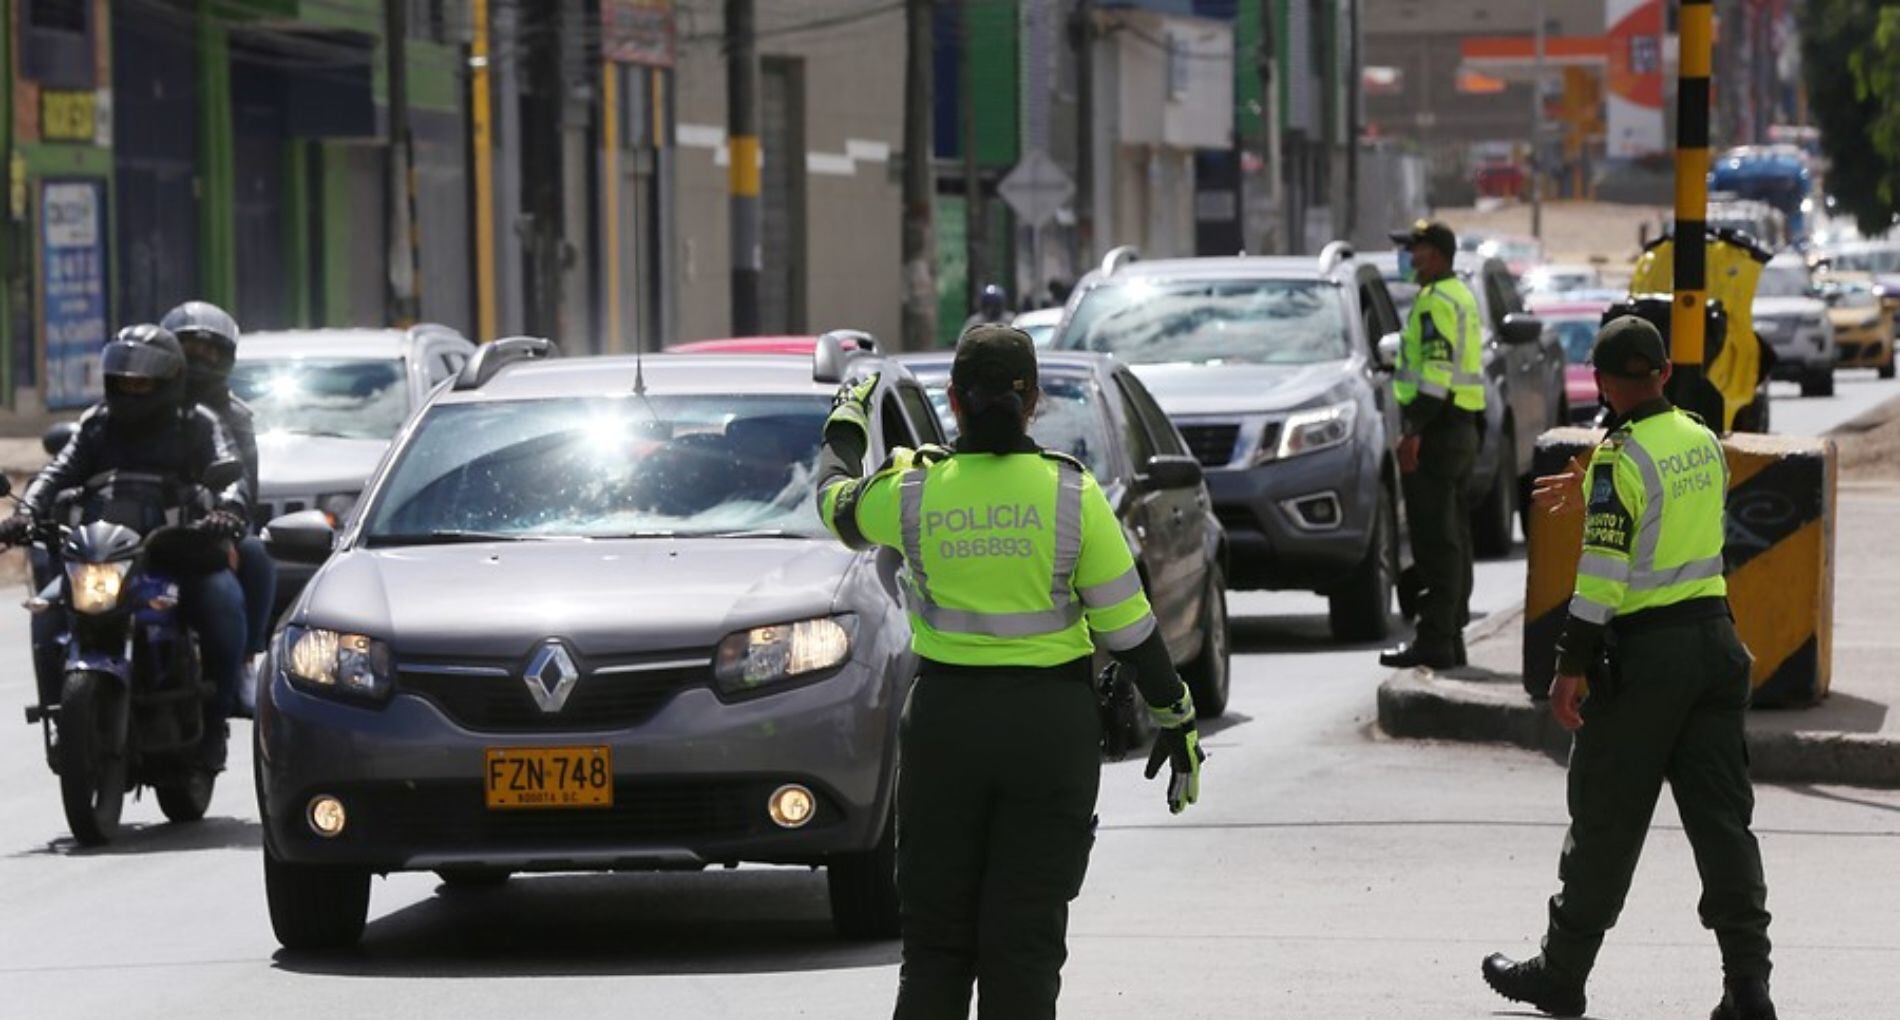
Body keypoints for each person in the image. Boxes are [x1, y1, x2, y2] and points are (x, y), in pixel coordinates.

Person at [814, 325, 1206, 1019]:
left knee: (935, 952)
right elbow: (1131, 628)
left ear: (954, 402)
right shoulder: (1071, 494)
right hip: (1048, 735)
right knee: (1023, 951)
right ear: (1035, 402)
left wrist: (846, 424)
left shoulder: (913, 491)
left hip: (945, 730)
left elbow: (833, 504)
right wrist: (1174, 714)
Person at [1483, 317, 1775, 1020]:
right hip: (1715, 645)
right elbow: (1674, 514)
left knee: (1605, 819)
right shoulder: (1702, 439)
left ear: (1604, 383)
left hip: (1646, 658)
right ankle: (1749, 985)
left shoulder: (1619, 459)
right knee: (1723, 825)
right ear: (1666, 374)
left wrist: (1568, 665)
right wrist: (1601, 480)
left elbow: (1605, 576)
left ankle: (1561, 973)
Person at [0, 325, 252, 769]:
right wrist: (26, 513)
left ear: (169, 380)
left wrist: (227, 510)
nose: (132, 391)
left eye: (143, 382)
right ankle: (64, 720)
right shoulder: (98, 424)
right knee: (47, 612)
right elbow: (58, 471)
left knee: (222, 601)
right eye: (123, 381)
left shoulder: (198, 423)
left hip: (177, 553)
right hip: (104, 556)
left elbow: (232, 472)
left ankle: (214, 725)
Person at [1380, 219, 1486, 669]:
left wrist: (1413, 432)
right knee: (1454, 536)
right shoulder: (1458, 294)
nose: (1408, 258)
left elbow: (1436, 375)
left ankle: (1436, 639)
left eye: (1415, 249)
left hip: (1437, 431)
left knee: (1434, 541)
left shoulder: (1436, 302)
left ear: (1437, 255)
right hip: (1460, 429)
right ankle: (1451, 632)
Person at [161, 301, 276, 673]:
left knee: (256, 554)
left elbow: (243, 478)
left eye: (211, 352)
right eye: (190, 350)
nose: (200, 361)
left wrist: (227, 513)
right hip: (145, 521)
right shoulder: (143, 402)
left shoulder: (234, 417)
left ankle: (243, 661)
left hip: (208, 524)